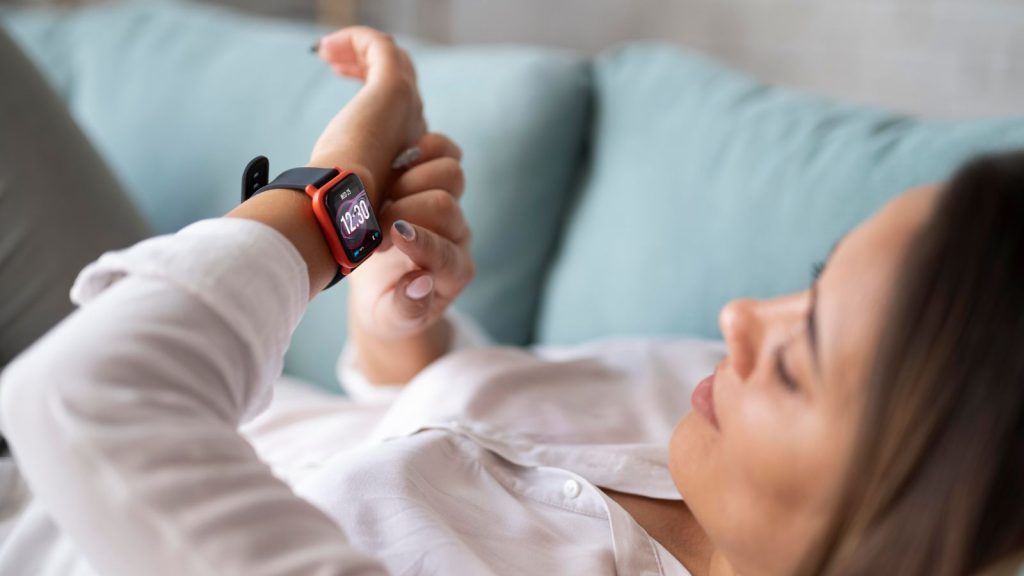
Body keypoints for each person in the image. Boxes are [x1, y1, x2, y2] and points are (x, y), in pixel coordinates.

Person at [0, 25, 1021, 576]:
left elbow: (83, 404)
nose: (738, 318)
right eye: (809, 284)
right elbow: (428, 408)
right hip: (169, 364)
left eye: (797, 363)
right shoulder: (701, 405)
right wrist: (403, 321)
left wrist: (331, 201)